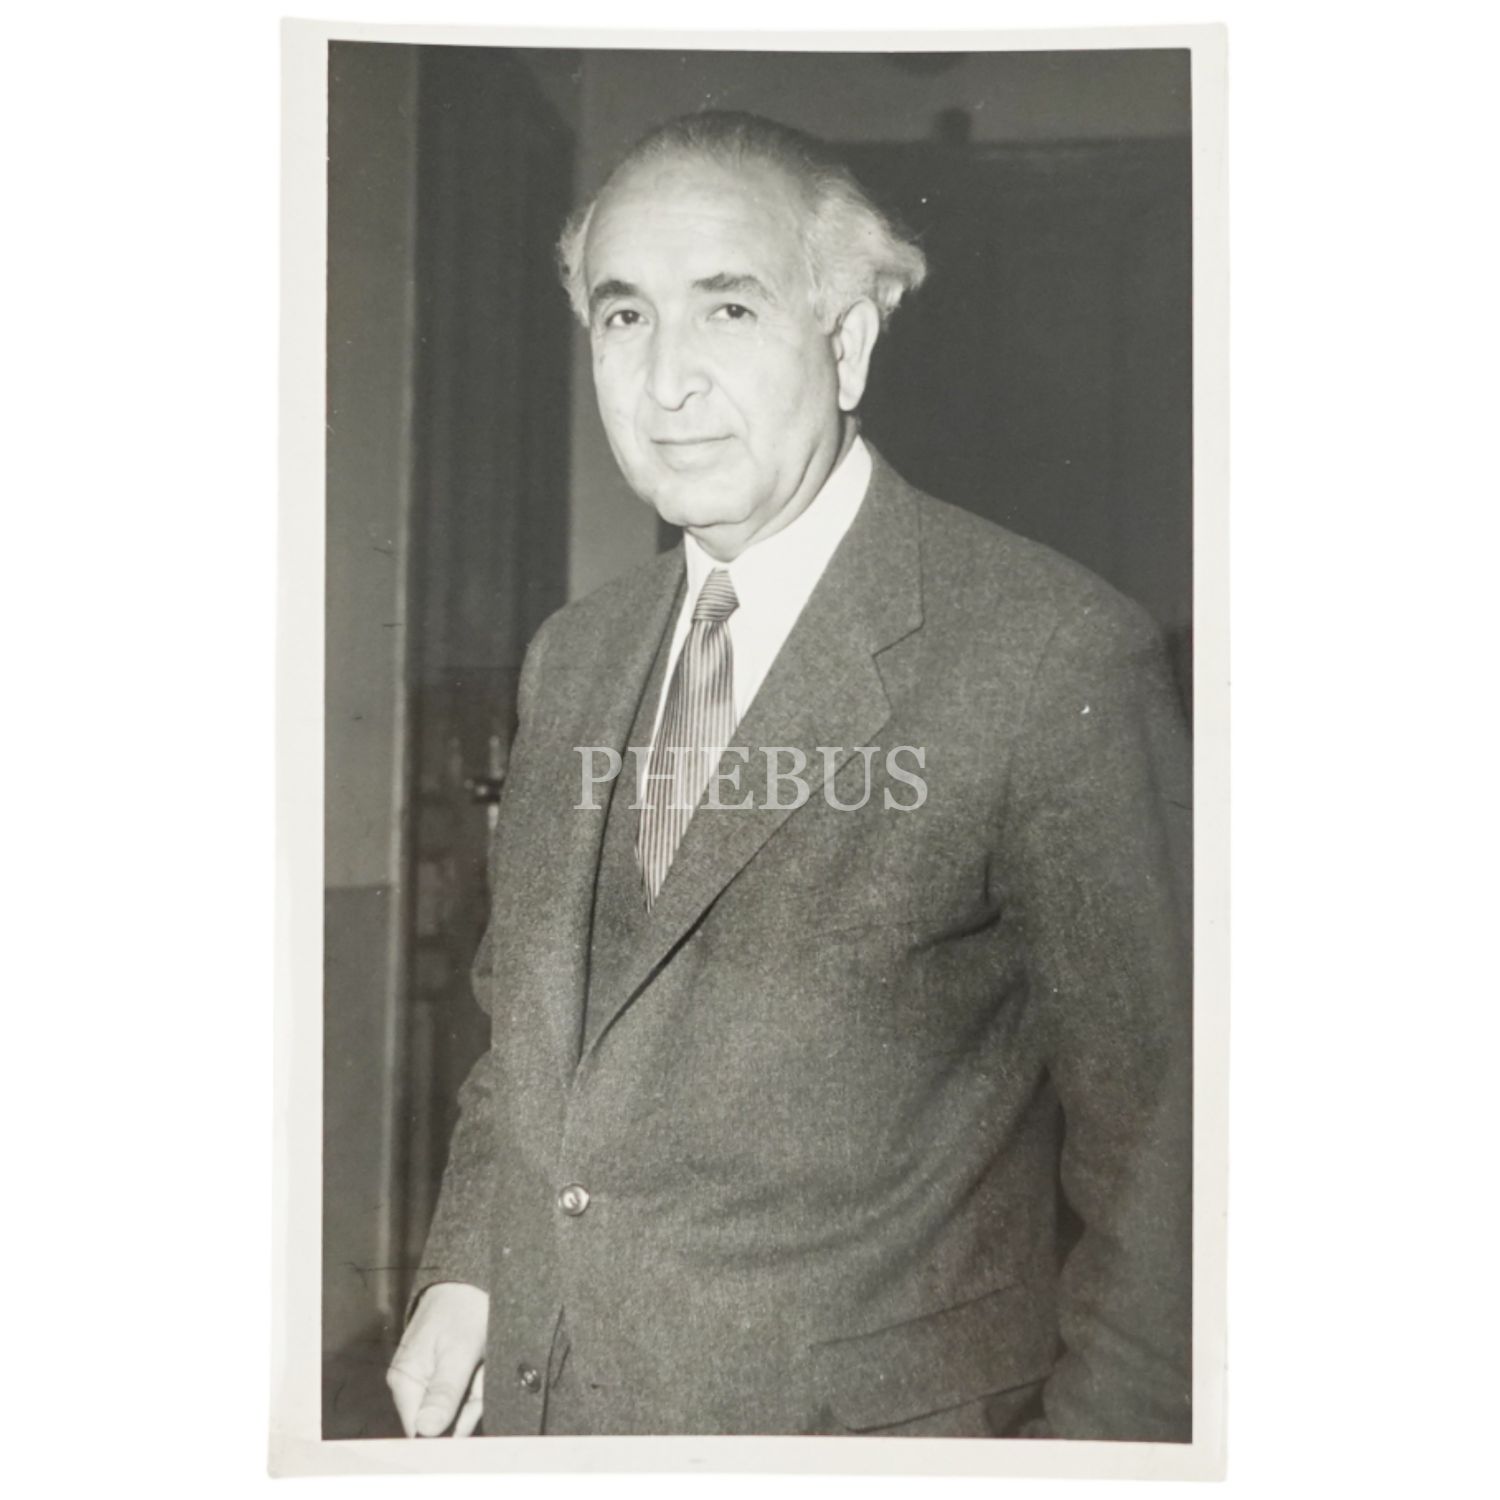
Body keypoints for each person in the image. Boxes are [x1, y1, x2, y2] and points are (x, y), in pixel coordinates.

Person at [386, 110, 1192, 1441]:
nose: (666, 382)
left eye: (730, 309)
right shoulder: (573, 656)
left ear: (849, 340)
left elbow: (1177, 1156)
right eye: (625, 317)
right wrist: (472, 1264)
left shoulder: (1049, 652)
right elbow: (522, 1027)